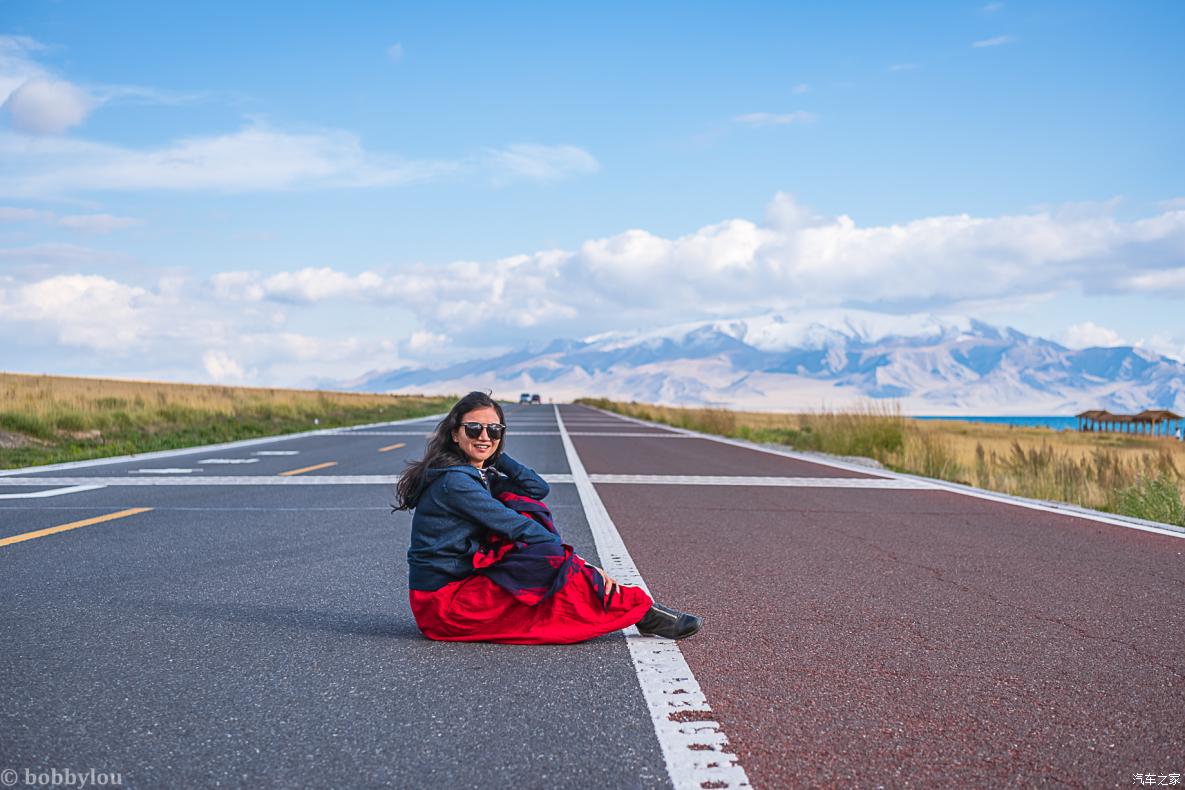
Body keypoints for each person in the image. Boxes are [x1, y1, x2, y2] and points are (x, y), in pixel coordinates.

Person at [394, 391, 702, 644]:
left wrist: (496, 454)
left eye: (494, 430)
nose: (484, 436)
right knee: (552, 575)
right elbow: (519, 528)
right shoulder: (456, 482)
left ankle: (639, 610)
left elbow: (536, 489)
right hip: (444, 604)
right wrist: (578, 562)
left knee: (544, 557)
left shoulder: (475, 473)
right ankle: (641, 611)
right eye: (474, 429)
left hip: (462, 585)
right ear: (455, 434)